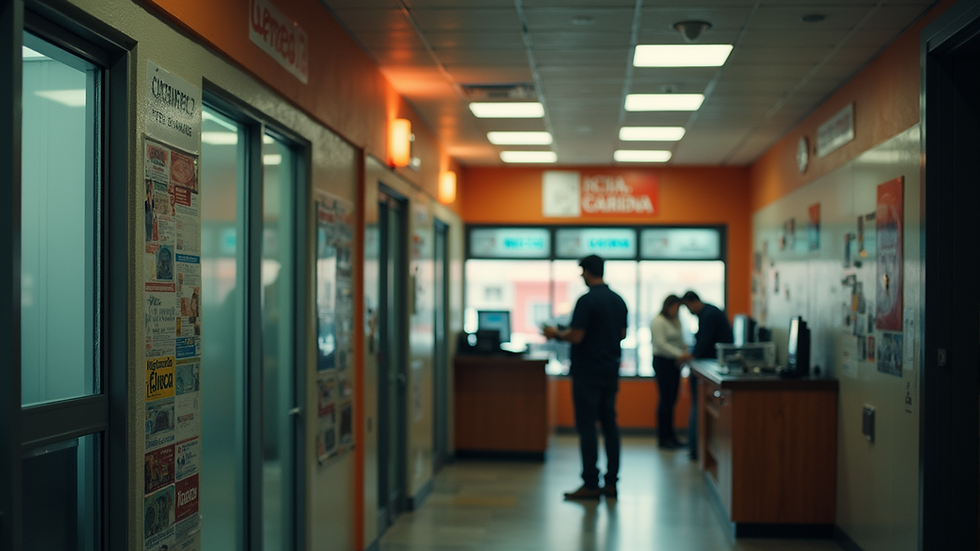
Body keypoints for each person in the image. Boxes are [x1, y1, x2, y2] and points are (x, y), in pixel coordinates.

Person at [542, 255, 628, 500]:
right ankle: (611, 483)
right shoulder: (618, 300)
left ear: (588, 272)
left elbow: (576, 336)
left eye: (582, 272)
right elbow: (621, 334)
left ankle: (590, 484)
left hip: (587, 373)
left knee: (587, 427)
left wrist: (555, 334)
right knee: (610, 426)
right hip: (610, 371)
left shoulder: (586, 300)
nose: (581, 276)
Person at [680, 291, 733, 460]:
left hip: (710, 363)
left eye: (688, 307)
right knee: (698, 406)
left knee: (698, 406)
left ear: (693, 301)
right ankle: (696, 447)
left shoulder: (708, 315)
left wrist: (691, 356)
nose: (689, 311)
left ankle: (696, 448)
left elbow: (704, 342)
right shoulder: (708, 312)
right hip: (710, 362)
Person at [650, 294, 687, 449]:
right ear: (668, 306)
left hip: (674, 363)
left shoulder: (675, 321)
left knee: (672, 400)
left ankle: (671, 436)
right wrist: (680, 354)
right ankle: (663, 438)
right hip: (663, 362)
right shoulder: (658, 321)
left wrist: (685, 351)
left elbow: (680, 340)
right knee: (665, 400)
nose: (676, 311)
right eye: (675, 308)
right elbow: (660, 344)